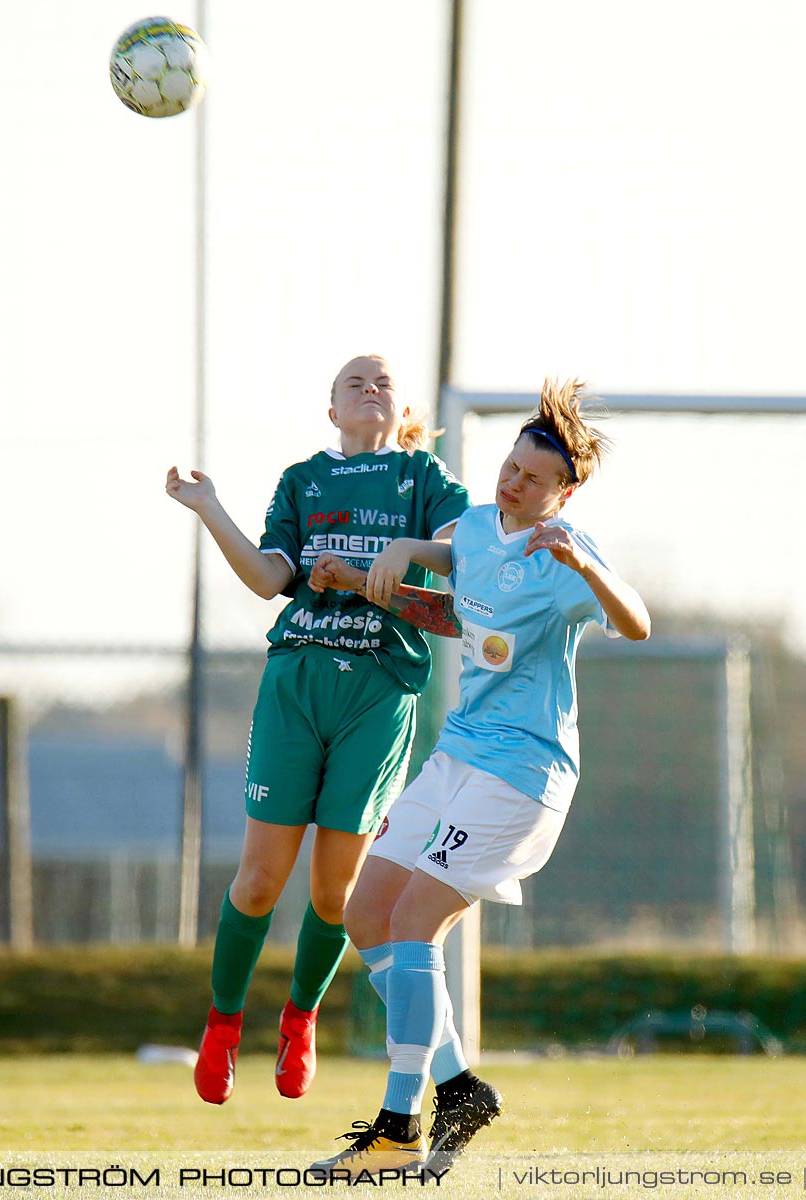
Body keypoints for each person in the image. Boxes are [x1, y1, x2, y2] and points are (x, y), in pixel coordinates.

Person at [301, 378, 652, 1180]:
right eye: (511, 466)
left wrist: (585, 567)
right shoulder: (475, 529)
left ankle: (398, 1129)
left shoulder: (564, 555)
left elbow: (637, 622)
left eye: (533, 479)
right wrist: (365, 575)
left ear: (561, 494)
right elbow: (455, 613)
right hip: (459, 755)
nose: (513, 482)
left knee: (415, 923)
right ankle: (458, 1088)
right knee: (365, 913)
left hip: (521, 775)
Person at [164, 354, 468, 1104]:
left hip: (380, 694)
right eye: (353, 383)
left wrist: (385, 574)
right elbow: (271, 578)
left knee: (335, 895)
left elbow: (461, 584)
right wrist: (209, 508)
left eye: (383, 381)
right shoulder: (303, 480)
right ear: (331, 410)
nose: (370, 388)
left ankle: (300, 1020)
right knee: (261, 880)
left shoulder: (425, 480)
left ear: (401, 410)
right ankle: (224, 1025)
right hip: (298, 683)